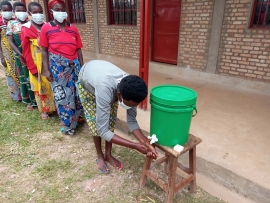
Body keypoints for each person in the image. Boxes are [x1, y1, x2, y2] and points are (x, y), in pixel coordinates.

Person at [77, 60, 158, 174]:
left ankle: (108, 154)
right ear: (119, 95)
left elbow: (131, 121)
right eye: (130, 105)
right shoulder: (105, 89)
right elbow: (102, 130)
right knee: (96, 123)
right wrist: (134, 145)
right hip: (87, 81)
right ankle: (100, 155)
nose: (132, 107)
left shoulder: (131, 90)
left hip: (104, 78)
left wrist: (145, 142)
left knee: (110, 121)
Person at [40, 0, 84, 135]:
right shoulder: (46, 28)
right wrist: (46, 70)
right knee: (63, 97)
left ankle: (78, 119)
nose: (60, 12)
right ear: (52, 11)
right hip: (57, 70)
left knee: (77, 94)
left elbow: (79, 50)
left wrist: (82, 68)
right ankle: (67, 124)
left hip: (74, 67)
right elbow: (44, 51)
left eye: (62, 9)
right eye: (56, 9)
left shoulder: (73, 28)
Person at [21, 2, 56, 120]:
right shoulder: (26, 28)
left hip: (49, 60)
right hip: (35, 63)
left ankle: (53, 107)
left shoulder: (47, 26)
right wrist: (32, 68)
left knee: (50, 85)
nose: (39, 15)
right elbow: (25, 51)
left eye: (41, 12)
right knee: (39, 86)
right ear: (29, 14)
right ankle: (44, 110)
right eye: (35, 13)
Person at [7, 1, 37, 110]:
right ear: (14, 12)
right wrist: (20, 54)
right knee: (24, 77)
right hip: (20, 55)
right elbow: (10, 41)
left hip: (32, 54)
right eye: (18, 11)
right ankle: (29, 101)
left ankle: (37, 99)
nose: (22, 13)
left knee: (34, 75)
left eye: (23, 10)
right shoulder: (12, 24)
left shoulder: (30, 23)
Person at [0, 1, 21, 102]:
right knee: (10, 71)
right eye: (5, 10)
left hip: (16, 49)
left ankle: (23, 94)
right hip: (6, 52)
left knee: (19, 70)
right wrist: (2, 57)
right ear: (1, 11)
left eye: (9, 10)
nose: (7, 12)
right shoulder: (0, 23)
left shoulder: (15, 22)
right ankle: (15, 95)